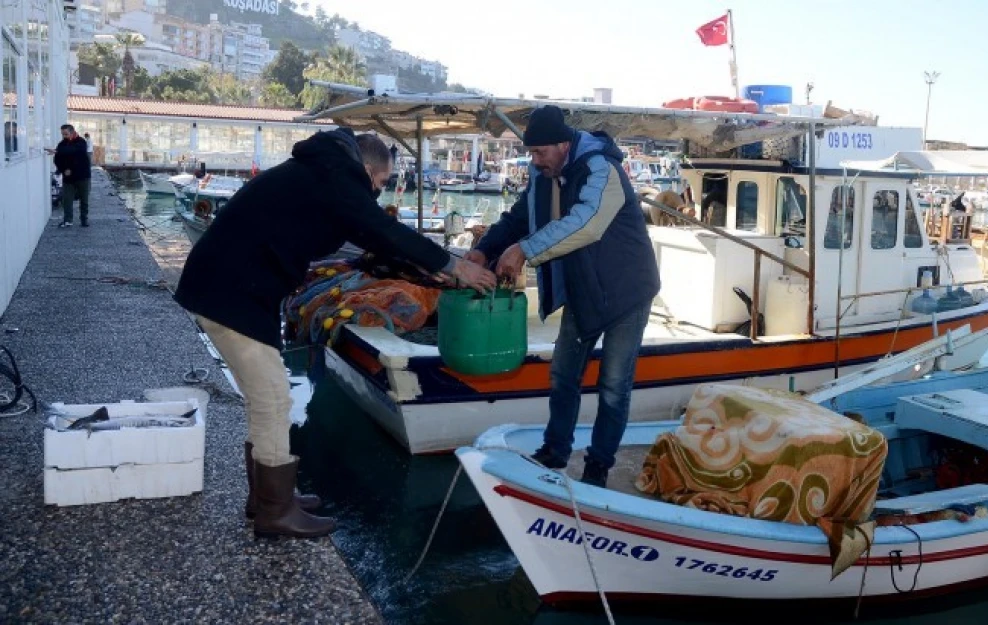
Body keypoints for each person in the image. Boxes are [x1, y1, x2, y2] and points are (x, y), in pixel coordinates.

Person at [174, 129, 495, 538]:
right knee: (273, 399)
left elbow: (375, 246)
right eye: (380, 183)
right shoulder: (335, 176)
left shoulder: (321, 172)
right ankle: (275, 511)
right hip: (231, 293)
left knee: (264, 399)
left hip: (232, 287)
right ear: (366, 168)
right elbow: (383, 229)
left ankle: (269, 496)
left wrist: (431, 272)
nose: (378, 192)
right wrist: (455, 265)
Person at [464, 105, 660, 488]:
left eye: (540, 153)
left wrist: (524, 251)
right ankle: (554, 452)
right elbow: (520, 217)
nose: (535, 162)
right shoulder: (544, 175)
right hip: (585, 289)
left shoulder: (602, 169)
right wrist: (484, 250)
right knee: (563, 375)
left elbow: (586, 223)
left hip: (627, 292)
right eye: (531, 154)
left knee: (613, 387)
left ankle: (598, 467)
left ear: (562, 144)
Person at [49, 124, 92, 228]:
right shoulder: (61, 144)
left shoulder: (81, 142)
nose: (64, 136)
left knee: (84, 199)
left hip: (83, 176)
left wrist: (58, 151)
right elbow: (57, 160)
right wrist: (64, 170)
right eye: (62, 134)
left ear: (72, 132)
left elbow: (74, 151)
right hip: (68, 177)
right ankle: (68, 220)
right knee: (67, 199)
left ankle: (84, 219)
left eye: (66, 134)